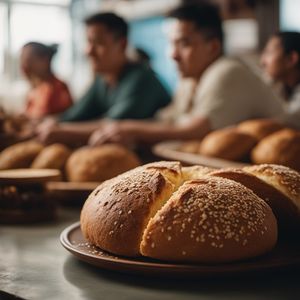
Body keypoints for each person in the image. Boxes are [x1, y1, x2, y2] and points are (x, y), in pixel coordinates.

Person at [88, 3, 284, 146]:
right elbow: (165, 121)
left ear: (213, 46)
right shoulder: (190, 79)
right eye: (171, 43)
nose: (173, 55)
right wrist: (122, 130)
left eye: (184, 44)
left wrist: (128, 129)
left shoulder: (228, 71)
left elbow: (195, 131)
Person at [37, 12, 170, 146]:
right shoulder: (102, 79)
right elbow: (75, 115)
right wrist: (51, 122)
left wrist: (61, 131)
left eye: (98, 43)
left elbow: (113, 126)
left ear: (122, 44)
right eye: (88, 42)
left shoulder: (142, 80)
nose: (89, 51)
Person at [20, 42, 73, 120]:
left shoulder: (57, 88)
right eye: (22, 60)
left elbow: (65, 118)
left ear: (45, 60)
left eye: (29, 60)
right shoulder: (35, 88)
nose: (24, 66)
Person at [260, 31, 300, 129]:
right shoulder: (281, 86)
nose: (262, 61)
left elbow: (286, 121)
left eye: (269, 53)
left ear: (291, 59)